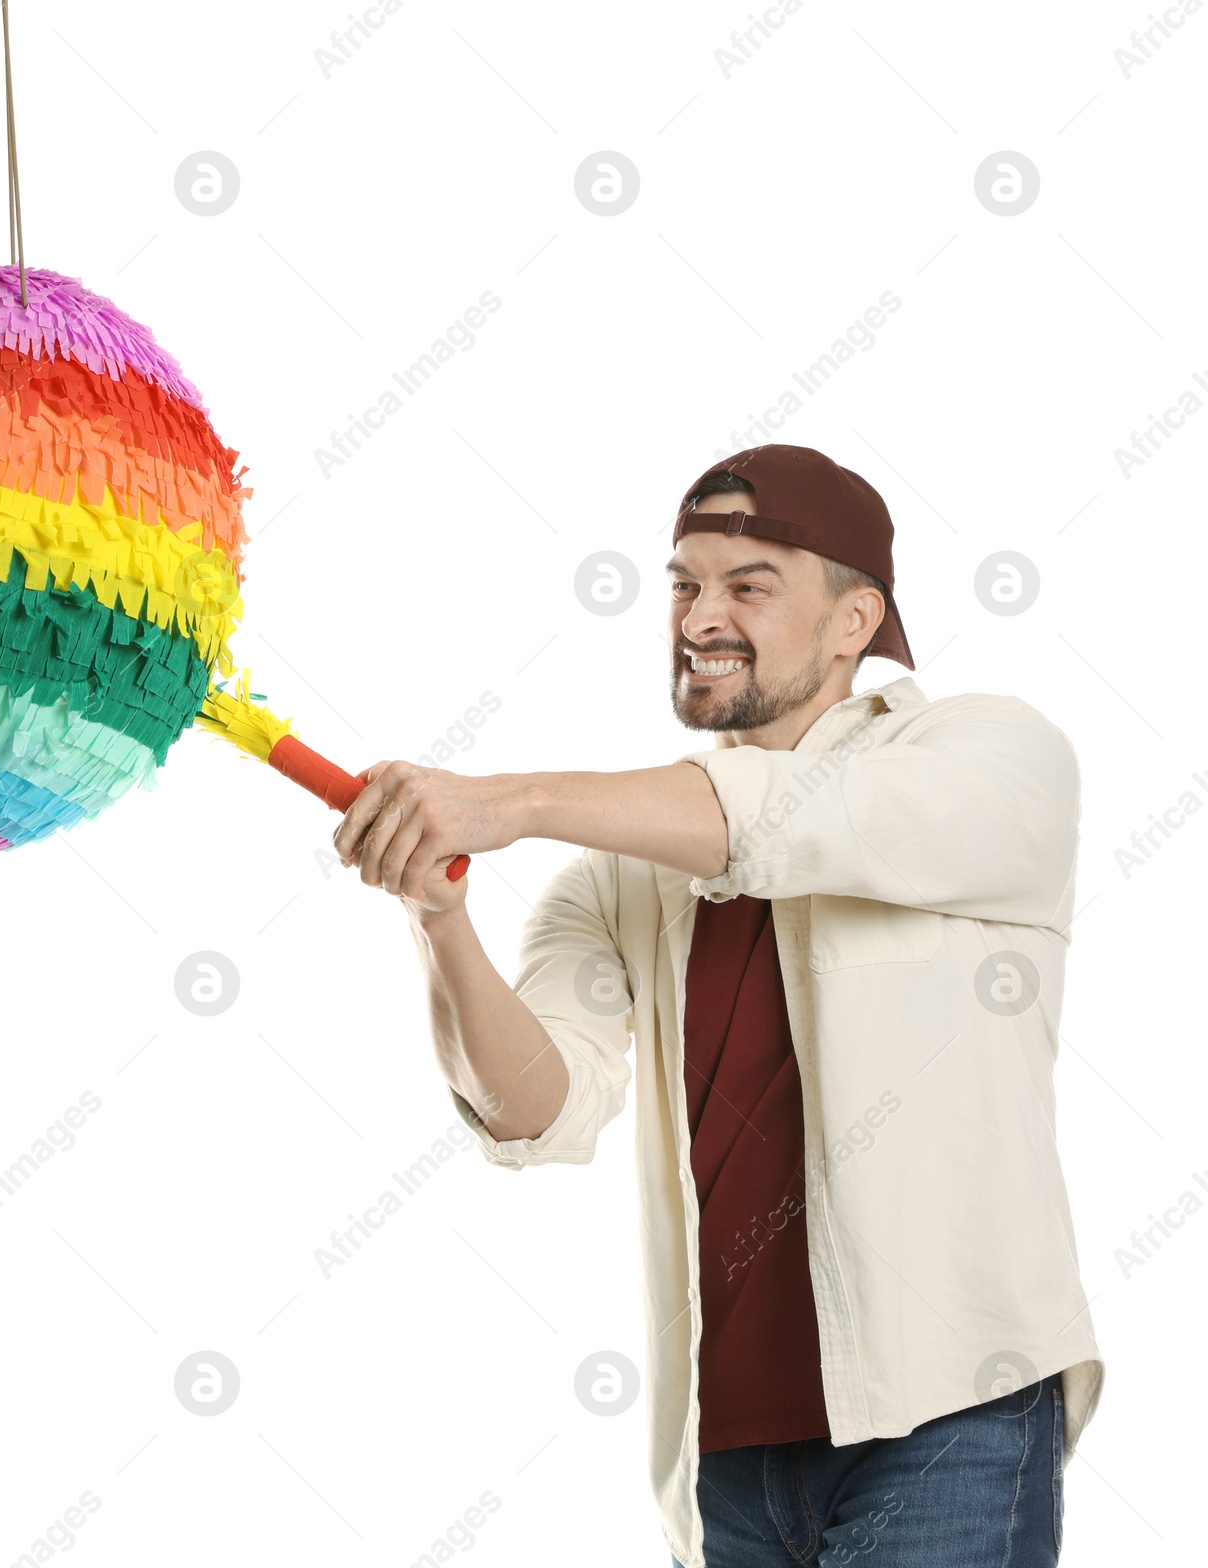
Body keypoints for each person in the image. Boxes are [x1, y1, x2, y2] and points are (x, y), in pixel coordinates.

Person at [331, 444, 1103, 1567]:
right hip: (724, 1470)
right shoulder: (616, 873)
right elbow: (535, 1107)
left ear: (855, 622)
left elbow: (802, 816)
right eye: (684, 582)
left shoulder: (992, 756)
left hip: (948, 1420)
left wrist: (514, 799)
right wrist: (437, 914)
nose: (701, 613)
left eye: (750, 583)